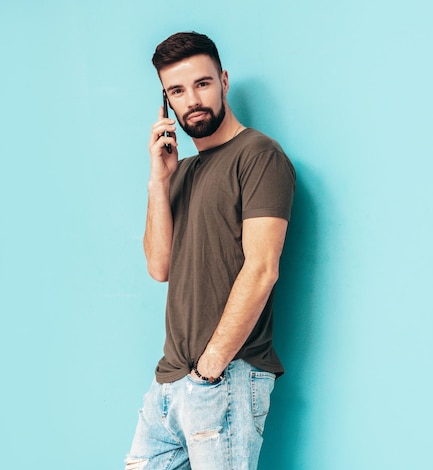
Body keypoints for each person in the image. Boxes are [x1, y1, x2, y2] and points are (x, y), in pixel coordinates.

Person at [125, 31, 296, 470]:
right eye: (176, 91)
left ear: (223, 80)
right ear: (166, 103)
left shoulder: (259, 156)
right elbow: (159, 266)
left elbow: (262, 269)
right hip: (168, 383)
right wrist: (159, 181)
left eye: (201, 84)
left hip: (225, 377)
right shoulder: (178, 174)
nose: (192, 100)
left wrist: (209, 371)